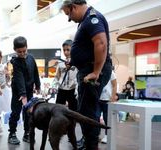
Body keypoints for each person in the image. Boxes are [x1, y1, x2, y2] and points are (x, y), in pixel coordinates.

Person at [61, 0, 112, 149]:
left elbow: (101, 43)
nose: (70, 19)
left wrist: (96, 72)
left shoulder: (91, 19)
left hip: (93, 71)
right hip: (87, 69)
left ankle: (91, 146)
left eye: (69, 14)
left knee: (88, 113)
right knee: (85, 110)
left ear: (74, 7)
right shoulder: (85, 20)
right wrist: (74, 61)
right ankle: (89, 143)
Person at [8, 36, 41, 145]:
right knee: (15, 112)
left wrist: (38, 85)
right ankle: (12, 133)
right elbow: (19, 78)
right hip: (18, 91)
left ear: (27, 47)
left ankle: (27, 132)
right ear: (14, 49)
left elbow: (35, 71)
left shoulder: (31, 58)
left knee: (28, 113)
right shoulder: (15, 62)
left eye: (24, 51)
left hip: (29, 90)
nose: (22, 53)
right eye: (19, 52)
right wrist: (22, 95)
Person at [0, 50, 12, 136]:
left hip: (3, 91)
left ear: (1, 57)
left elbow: (7, 80)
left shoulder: (4, 67)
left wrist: (7, 76)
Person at [54, 39, 78, 111]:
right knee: (57, 109)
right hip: (62, 88)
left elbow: (79, 76)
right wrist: (55, 86)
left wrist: (77, 89)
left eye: (68, 50)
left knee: (74, 110)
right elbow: (57, 76)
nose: (66, 52)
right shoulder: (60, 62)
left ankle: (72, 122)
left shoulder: (76, 62)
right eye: (64, 50)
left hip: (72, 89)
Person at [98, 71, 117, 144]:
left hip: (107, 99)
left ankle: (107, 135)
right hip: (98, 99)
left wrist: (113, 97)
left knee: (107, 119)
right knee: (96, 117)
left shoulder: (110, 72)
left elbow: (114, 84)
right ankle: (96, 134)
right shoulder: (96, 70)